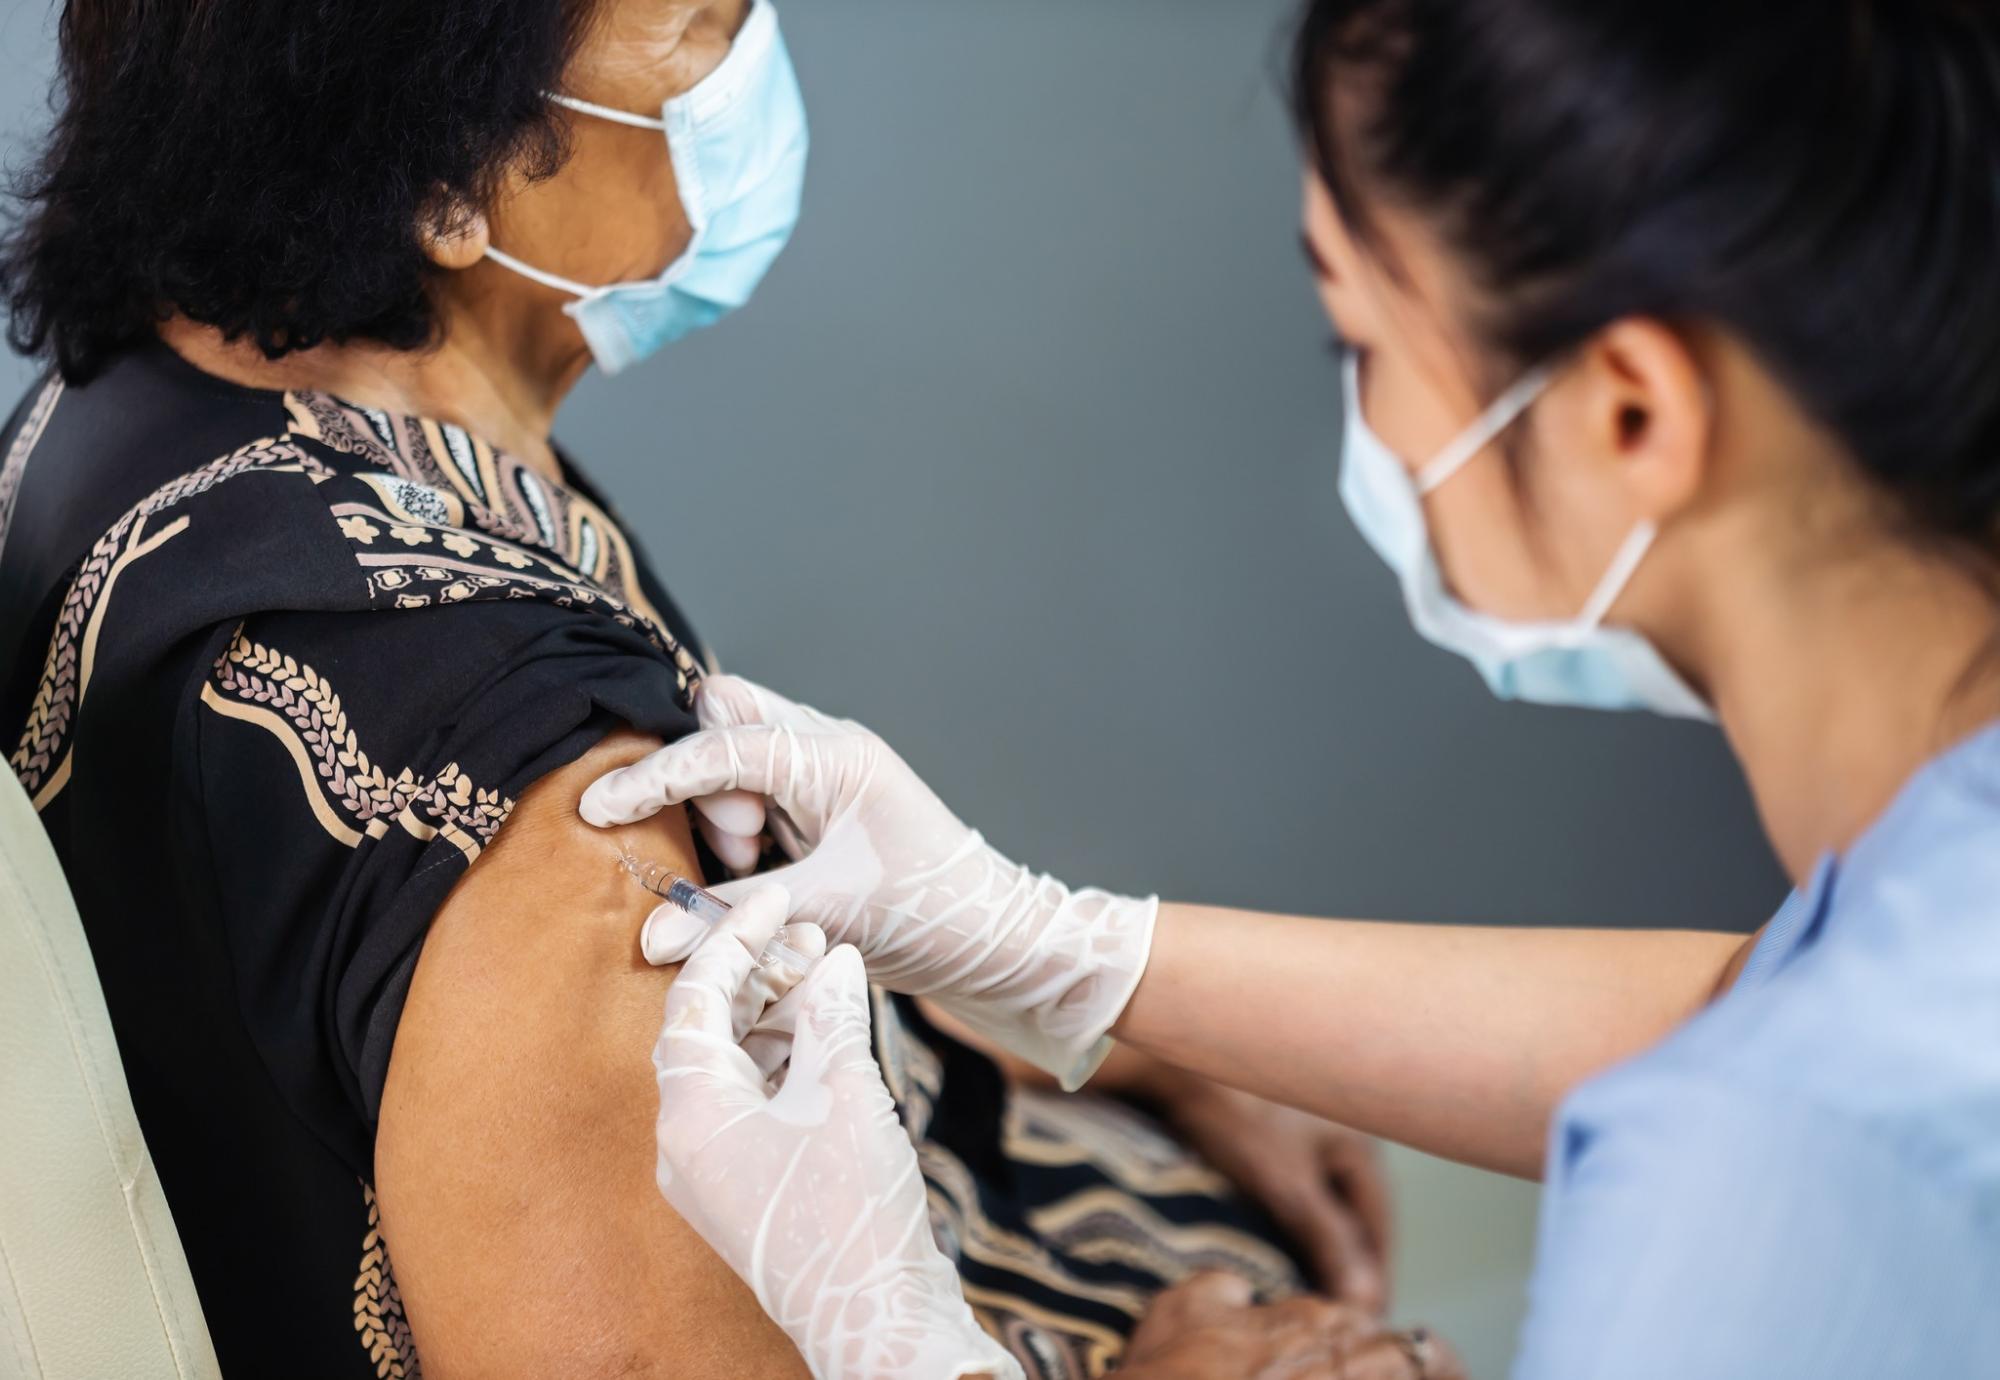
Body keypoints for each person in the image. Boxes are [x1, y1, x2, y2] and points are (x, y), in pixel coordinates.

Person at [0, 0, 1422, 1375]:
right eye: (701, 28)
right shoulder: (554, 823)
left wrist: (1101, 1035)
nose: (753, 66)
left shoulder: (142, 402)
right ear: (443, 180)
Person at [589, 1, 2000, 1375]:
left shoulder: (1772, 1206)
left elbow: (1796, 1098)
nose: (1366, 419)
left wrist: (903, 1346)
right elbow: (1772, 1004)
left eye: (1362, 341)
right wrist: (1051, 944)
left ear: (1630, 412)